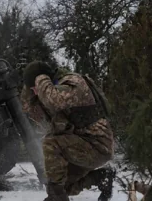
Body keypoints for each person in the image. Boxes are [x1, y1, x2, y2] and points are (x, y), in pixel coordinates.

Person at [21, 61, 116, 201]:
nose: (36, 92)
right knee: (64, 187)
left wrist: (40, 79)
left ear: (44, 79)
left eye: (36, 87)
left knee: (51, 143)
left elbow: (53, 100)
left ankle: (56, 198)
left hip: (98, 146)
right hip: (83, 146)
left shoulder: (74, 83)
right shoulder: (56, 90)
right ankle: (101, 177)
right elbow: (33, 111)